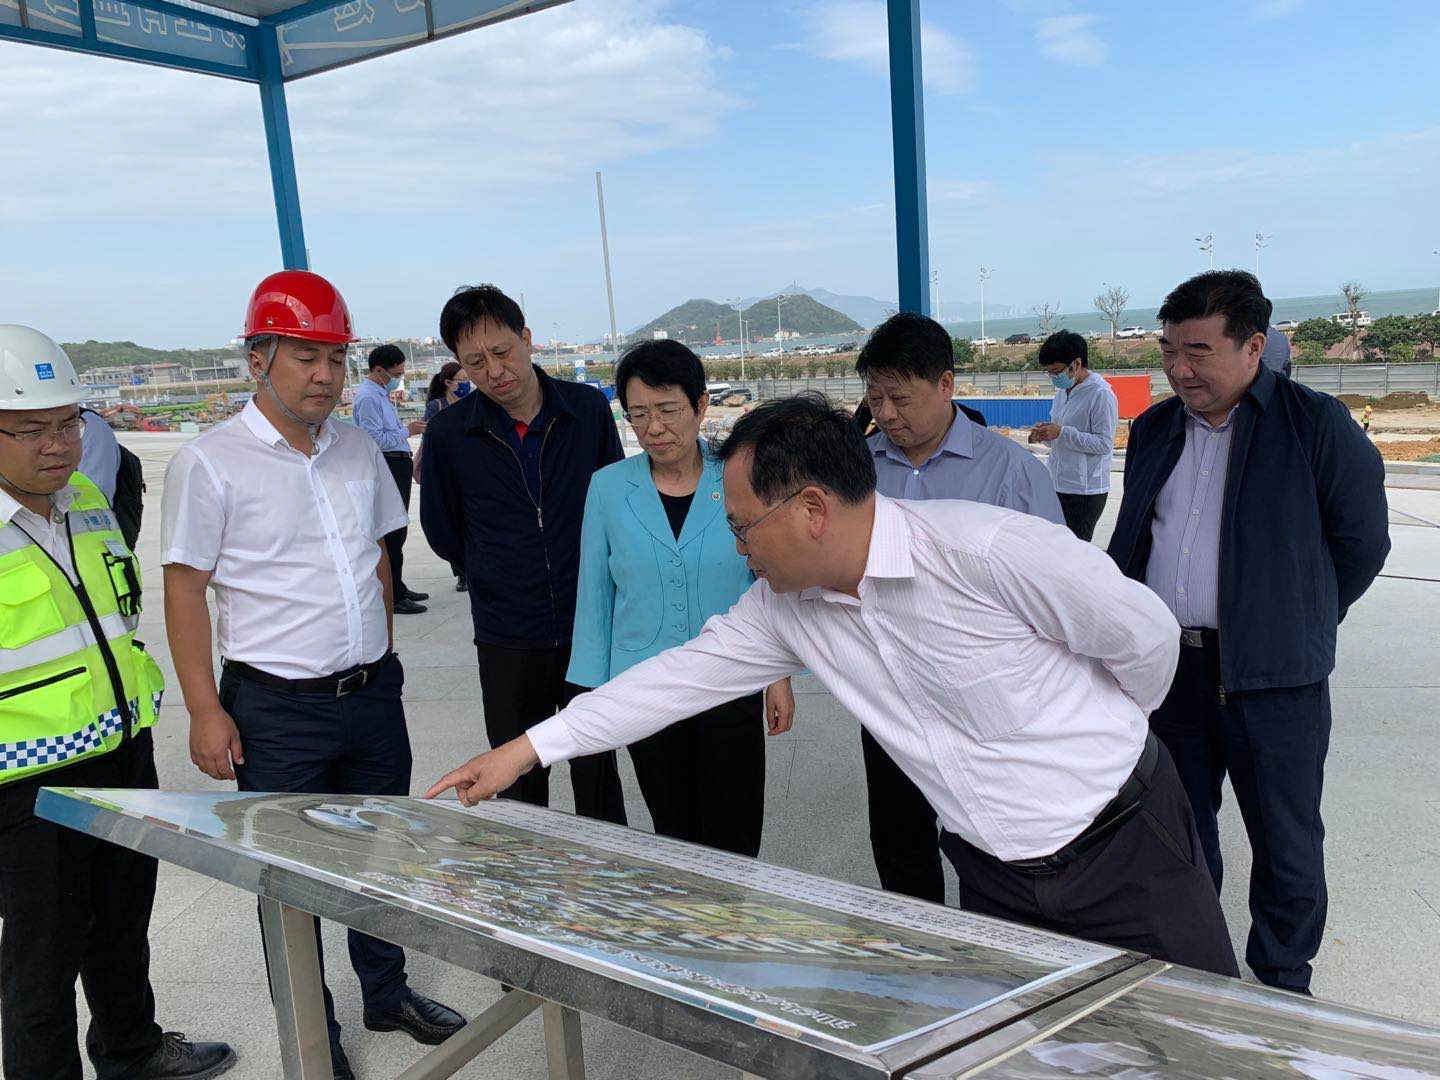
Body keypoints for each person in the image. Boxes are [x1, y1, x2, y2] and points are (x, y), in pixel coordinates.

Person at [428, 395, 1240, 978]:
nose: (739, 549)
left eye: (742, 526)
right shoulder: (784, 609)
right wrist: (526, 750)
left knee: (1200, 1043)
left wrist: (1100, 739)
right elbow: (670, 682)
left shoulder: (986, 552)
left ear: (812, 508)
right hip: (994, 874)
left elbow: (1145, 639)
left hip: (1125, 844)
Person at [161, 273, 463, 1079]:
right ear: (257, 359)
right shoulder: (208, 463)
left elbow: (377, 561)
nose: (325, 375)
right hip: (275, 710)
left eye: (335, 357)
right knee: (288, 879)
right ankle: (312, 1034)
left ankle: (387, 992)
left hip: (370, 695)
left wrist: (381, 659)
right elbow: (185, 589)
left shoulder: (358, 450)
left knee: (381, 855)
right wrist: (204, 710)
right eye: (305, 356)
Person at [1108, 270, 1390, 994]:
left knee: (1286, 842)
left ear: (1254, 347)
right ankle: (1195, 967)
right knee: (1177, 833)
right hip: (1171, 673)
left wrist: (1294, 619)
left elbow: (1361, 545)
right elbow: (1134, 539)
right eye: (1169, 351)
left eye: (1198, 351)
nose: (1179, 369)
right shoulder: (1156, 430)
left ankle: (1283, 983)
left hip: (1275, 680)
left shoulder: (1314, 426)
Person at [0, 325, 234, 1080]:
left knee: (123, 922)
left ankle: (131, 1049)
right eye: (30, 429)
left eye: (68, 422)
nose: (57, 444)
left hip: (122, 753)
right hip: (26, 784)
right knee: (42, 959)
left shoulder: (88, 501)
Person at [851, 312, 1064, 905]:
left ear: (946, 384)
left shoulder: (1013, 472)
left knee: (989, 842)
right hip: (889, 691)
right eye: (875, 398)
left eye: (900, 398)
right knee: (899, 837)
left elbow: (1055, 590)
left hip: (983, 696)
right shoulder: (857, 471)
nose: (886, 413)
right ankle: (916, 941)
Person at [570, 341, 795, 856]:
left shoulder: (739, 476)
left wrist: (777, 674)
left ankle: (734, 907)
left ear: (700, 405)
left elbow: (767, 580)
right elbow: (594, 594)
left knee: (736, 830)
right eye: (639, 414)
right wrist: (592, 691)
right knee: (673, 829)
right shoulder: (608, 488)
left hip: (729, 677)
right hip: (643, 684)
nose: (654, 427)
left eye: (667, 410)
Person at [420, 284, 626, 825]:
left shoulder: (586, 410)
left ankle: (606, 871)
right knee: (515, 778)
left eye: (502, 351)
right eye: (475, 362)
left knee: (597, 770)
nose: (494, 371)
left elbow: (615, 503)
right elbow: (442, 529)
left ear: (527, 339)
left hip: (588, 625)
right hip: (506, 635)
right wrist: (498, 570)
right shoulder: (449, 433)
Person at [352, 344, 428, 615]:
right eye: (395, 374)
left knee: (399, 529)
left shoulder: (381, 394)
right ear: (378, 370)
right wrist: (407, 431)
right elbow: (373, 439)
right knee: (392, 531)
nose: (398, 377)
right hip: (388, 463)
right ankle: (392, 595)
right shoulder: (368, 398)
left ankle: (399, 587)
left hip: (398, 461)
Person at [1028, 330, 1119, 542]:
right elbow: (1060, 439)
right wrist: (1045, 434)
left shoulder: (1100, 394)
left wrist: (1061, 432)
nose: (1054, 378)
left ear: (1076, 364)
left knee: (1073, 551)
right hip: (1058, 483)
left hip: (1085, 491)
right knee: (1052, 546)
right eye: (1049, 373)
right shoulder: (1062, 393)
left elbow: (1104, 444)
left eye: (1057, 371)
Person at [420, 360, 468, 591]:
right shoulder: (436, 406)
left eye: (467, 379)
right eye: (462, 380)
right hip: (446, 469)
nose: (466, 384)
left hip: (469, 467)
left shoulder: (472, 403)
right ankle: (460, 572)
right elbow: (428, 436)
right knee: (452, 518)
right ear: (448, 382)